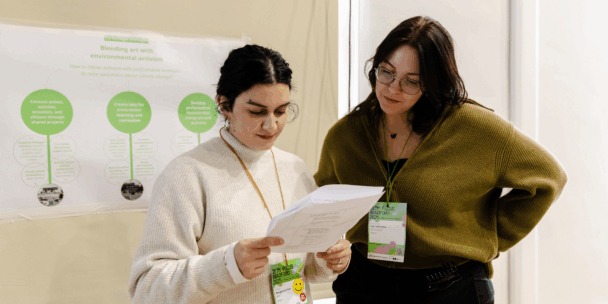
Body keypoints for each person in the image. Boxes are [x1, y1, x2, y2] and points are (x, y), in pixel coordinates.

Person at [314, 16, 567, 303]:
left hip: (450, 287)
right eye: (385, 72)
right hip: (363, 283)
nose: (392, 89)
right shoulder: (346, 134)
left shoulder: (475, 128)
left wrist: (490, 235)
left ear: (433, 84)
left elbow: (549, 178)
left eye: (411, 82)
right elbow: (323, 202)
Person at [128, 44, 351, 303]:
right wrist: (225, 266)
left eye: (281, 111)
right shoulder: (186, 174)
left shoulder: (294, 168)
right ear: (224, 105)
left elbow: (308, 269)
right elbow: (147, 289)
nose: (272, 125)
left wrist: (330, 259)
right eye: (256, 112)